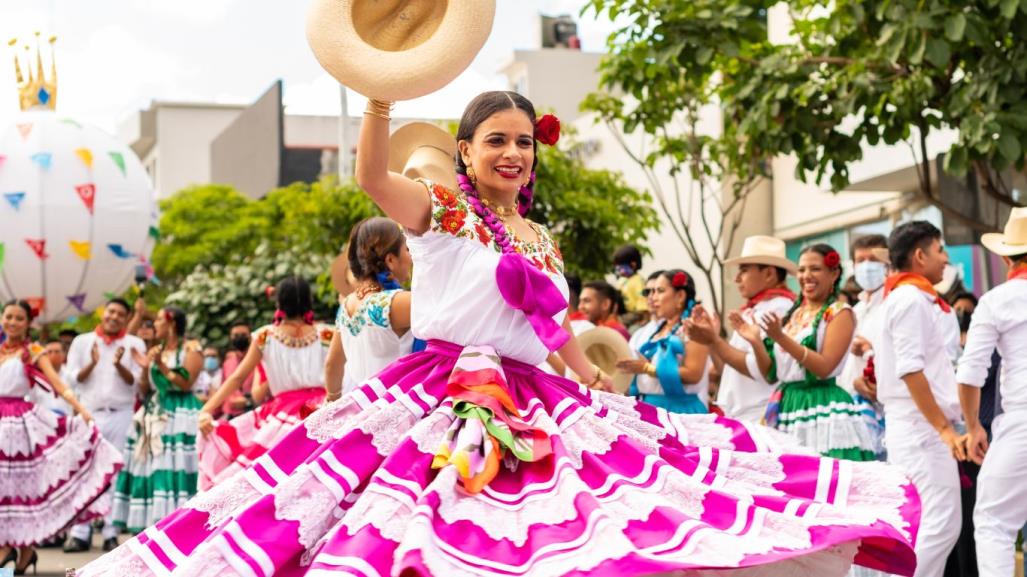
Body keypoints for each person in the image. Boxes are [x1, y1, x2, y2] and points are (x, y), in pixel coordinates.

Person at [79, 90, 918, 577]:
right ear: (467, 151)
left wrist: (582, 374)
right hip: (438, 399)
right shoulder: (440, 211)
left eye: (523, 142)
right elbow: (373, 175)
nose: (513, 153)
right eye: (496, 142)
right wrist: (376, 97)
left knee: (602, 529)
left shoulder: (541, 237)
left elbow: (544, 322)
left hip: (541, 399)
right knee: (424, 540)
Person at [690, 244, 876, 461]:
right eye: (802, 269)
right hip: (787, 406)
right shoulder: (795, 314)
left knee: (821, 478)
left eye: (815, 269)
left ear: (833, 273)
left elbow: (824, 367)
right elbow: (771, 372)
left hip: (821, 403)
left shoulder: (839, 313)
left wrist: (780, 338)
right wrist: (756, 342)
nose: (806, 276)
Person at [0, 300, 123, 574]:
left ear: (27, 323)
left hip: (18, 428)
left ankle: (18, 548)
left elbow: (58, 383)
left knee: (19, 489)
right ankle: (14, 548)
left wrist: (82, 412)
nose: (13, 322)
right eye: (8, 316)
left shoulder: (31, 351)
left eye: (19, 318)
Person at [876, 221, 963, 577]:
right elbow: (910, 371)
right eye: (940, 250)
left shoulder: (910, 297)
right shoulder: (910, 299)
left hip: (917, 424)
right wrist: (943, 429)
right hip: (921, 426)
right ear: (919, 255)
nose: (945, 259)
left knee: (931, 523)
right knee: (941, 524)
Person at [196, 277, 335, 490]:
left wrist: (206, 410)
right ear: (309, 302)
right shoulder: (328, 333)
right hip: (324, 411)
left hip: (280, 417)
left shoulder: (265, 336)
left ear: (278, 304)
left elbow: (237, 378)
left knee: (267, 482)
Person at [956, 207, 1027, 577]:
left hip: (1021, 423)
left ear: (1005, 257)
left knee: (993, 521)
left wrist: (973, 428)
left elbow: (970, 372)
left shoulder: (998, 300)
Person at [63, 299, 147, 552]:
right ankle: (80, 532)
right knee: (86, 471)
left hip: (121, 414)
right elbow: (72, 380)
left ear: (126, 318)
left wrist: (119, 365)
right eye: (111, 311)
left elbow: (138, 383)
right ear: (104, 312)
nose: (114, 317)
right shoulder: (82, 341)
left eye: (121, 314)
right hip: (89, 413)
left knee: (115, 472)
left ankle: (111, 531)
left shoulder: (134, 344)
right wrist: (92, 362)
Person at [111, 306, 203, 534]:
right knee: (152, 466)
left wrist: (159, 364)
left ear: (171, 323)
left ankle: (179, 525)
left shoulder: (192, 348)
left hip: (180, 413)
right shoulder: (156, 349)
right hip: (155, 410)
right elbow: (145, 388)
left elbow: (185, 383)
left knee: (176, 464)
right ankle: (151, 525)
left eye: (160, 320)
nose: (155, 325)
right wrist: (144, 369)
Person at [689, 236, 797, 421]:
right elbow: (726, 368)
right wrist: (712, 341)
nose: (738, 278)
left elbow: (761, 370)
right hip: (744, 415)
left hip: (762, 413)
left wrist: (714, 340)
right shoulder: (754, 310)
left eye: (744, 270)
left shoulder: (779, 309)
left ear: (769, 274)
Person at [324, 216, 414, 399]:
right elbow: (449, 307)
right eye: (407, 249)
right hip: (395, 409)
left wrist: (333, 400)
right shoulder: (395, 302)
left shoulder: (347, 305)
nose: (411, 257)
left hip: (358, 407)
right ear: (390, 260)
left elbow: (332, 365)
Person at [617, 269, 710, 413]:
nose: (653, 297)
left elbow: (693, 374)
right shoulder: (659, 329)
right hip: (648, 407)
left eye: (660, 291)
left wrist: (646, 368)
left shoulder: (694, 327)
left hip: (678, 410)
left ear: (680, 296)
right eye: (651, 292)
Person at [836, 235, 889, 458]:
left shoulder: (892, 305)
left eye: (873, 259)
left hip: (884, 416)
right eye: (860, 260)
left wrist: (870, 350)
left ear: (888, 263)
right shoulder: (853, 312)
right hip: (851, 413)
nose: (867, 266)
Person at [217, 321, 257, 419]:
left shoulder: (259, 361)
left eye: (243, 335)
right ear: (231, 337)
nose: (239, 338)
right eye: (236, 335)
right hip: (231, 415)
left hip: (254, 412)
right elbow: (223, 388)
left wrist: (248, 401)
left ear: (250, 336)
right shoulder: (228, 362)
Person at [613, 244, 646, 326]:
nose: (619, 271)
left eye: (621, 268)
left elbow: (642, 303)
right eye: (617, 268)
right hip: (622, 313)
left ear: (633, 265)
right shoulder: (621, 281)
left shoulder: (638, 281)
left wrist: (643, 316)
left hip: (635, 315)